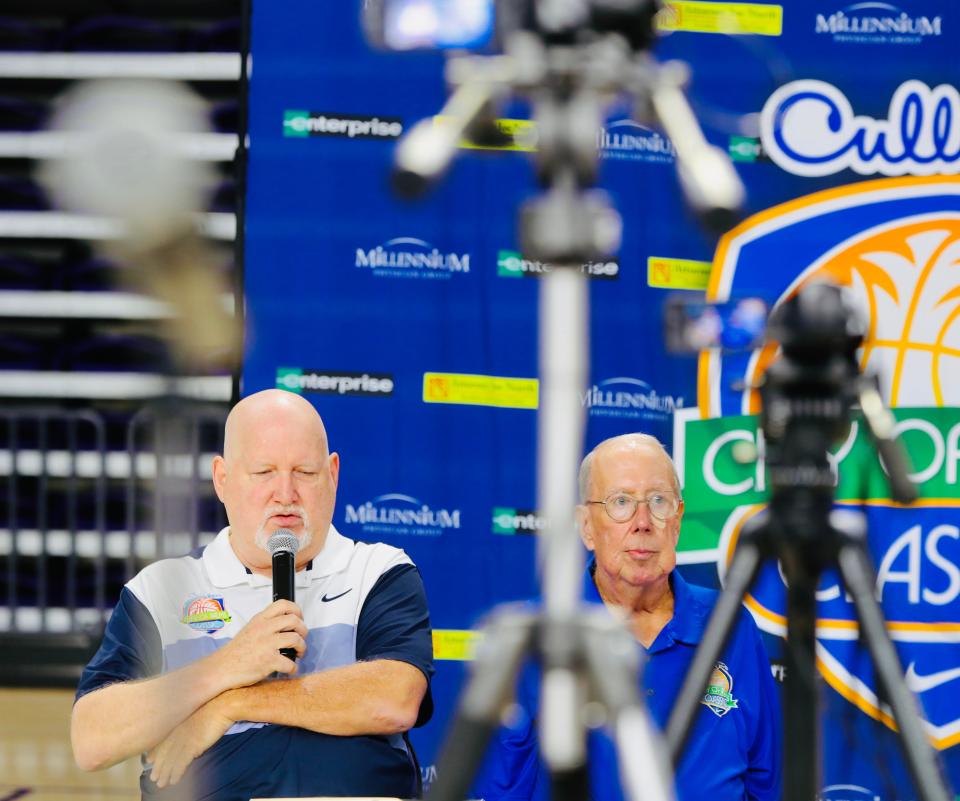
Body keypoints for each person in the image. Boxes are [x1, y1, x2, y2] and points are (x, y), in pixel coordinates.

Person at [72, 389, 434, 800]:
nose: (285, 493)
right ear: (222, 479)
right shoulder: (160, 588)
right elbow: (92, 740)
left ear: (332, 475)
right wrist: (228, 664)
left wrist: (230, 706)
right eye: (264, 472)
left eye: (305, 472)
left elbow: (395, 698)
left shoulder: (378, 571)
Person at [473, 433, 781, 801]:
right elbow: (504, 787)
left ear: (678, 520)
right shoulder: (544, 634)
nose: (643, 522)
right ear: (587, 526)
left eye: (658, 501)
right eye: (620, 502)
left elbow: (768, 779)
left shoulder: (729, 623)